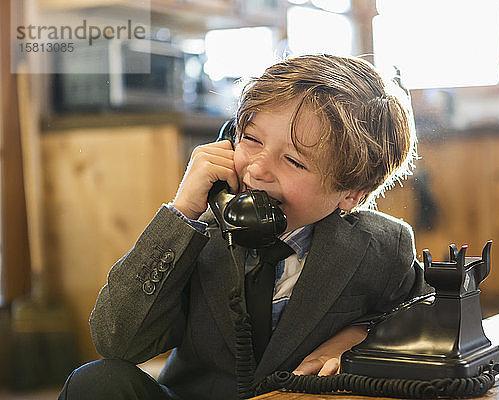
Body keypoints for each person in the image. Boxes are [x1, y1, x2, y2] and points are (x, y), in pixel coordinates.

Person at [58, 54, 427, 400]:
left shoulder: (384, 245)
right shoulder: (197, 232)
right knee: (97, 380)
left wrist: (359, 336)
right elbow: (116, 339)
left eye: (294, 161)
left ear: (351, 194)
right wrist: (183, 211)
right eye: (251, 140)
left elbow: (425, 317)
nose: (258, 169)